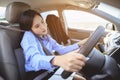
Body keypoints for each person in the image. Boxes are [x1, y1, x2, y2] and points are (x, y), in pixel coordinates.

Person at [19, 9, 87, 80]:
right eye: (37, 26)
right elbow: (34, 59)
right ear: (29, 29)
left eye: (42, 22)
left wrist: (79, 44)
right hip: (38, 74)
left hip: (50, 70)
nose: (43, 27)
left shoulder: (46, 37)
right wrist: (57, 60)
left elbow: (61, 49)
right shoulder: (28, 36)